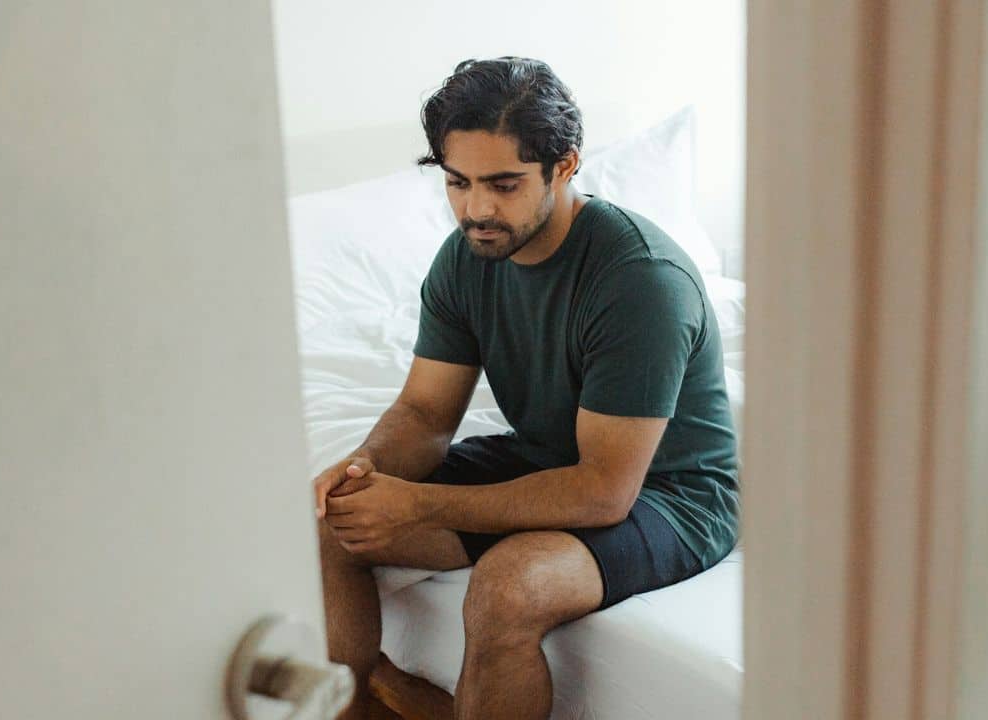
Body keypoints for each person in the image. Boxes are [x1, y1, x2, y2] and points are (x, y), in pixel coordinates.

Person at [313, 56, 739, 720]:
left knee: (510, 588)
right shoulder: (468, 255)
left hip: (671, 494)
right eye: (458, 182)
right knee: (335, 523)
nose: (476, 208)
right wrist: (365, 471)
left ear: (564, 166)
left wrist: (418, 505)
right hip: (550, 456)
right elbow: (425, 411)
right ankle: (348, 708)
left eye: (504, 184)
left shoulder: (639, 282)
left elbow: (603, 491)